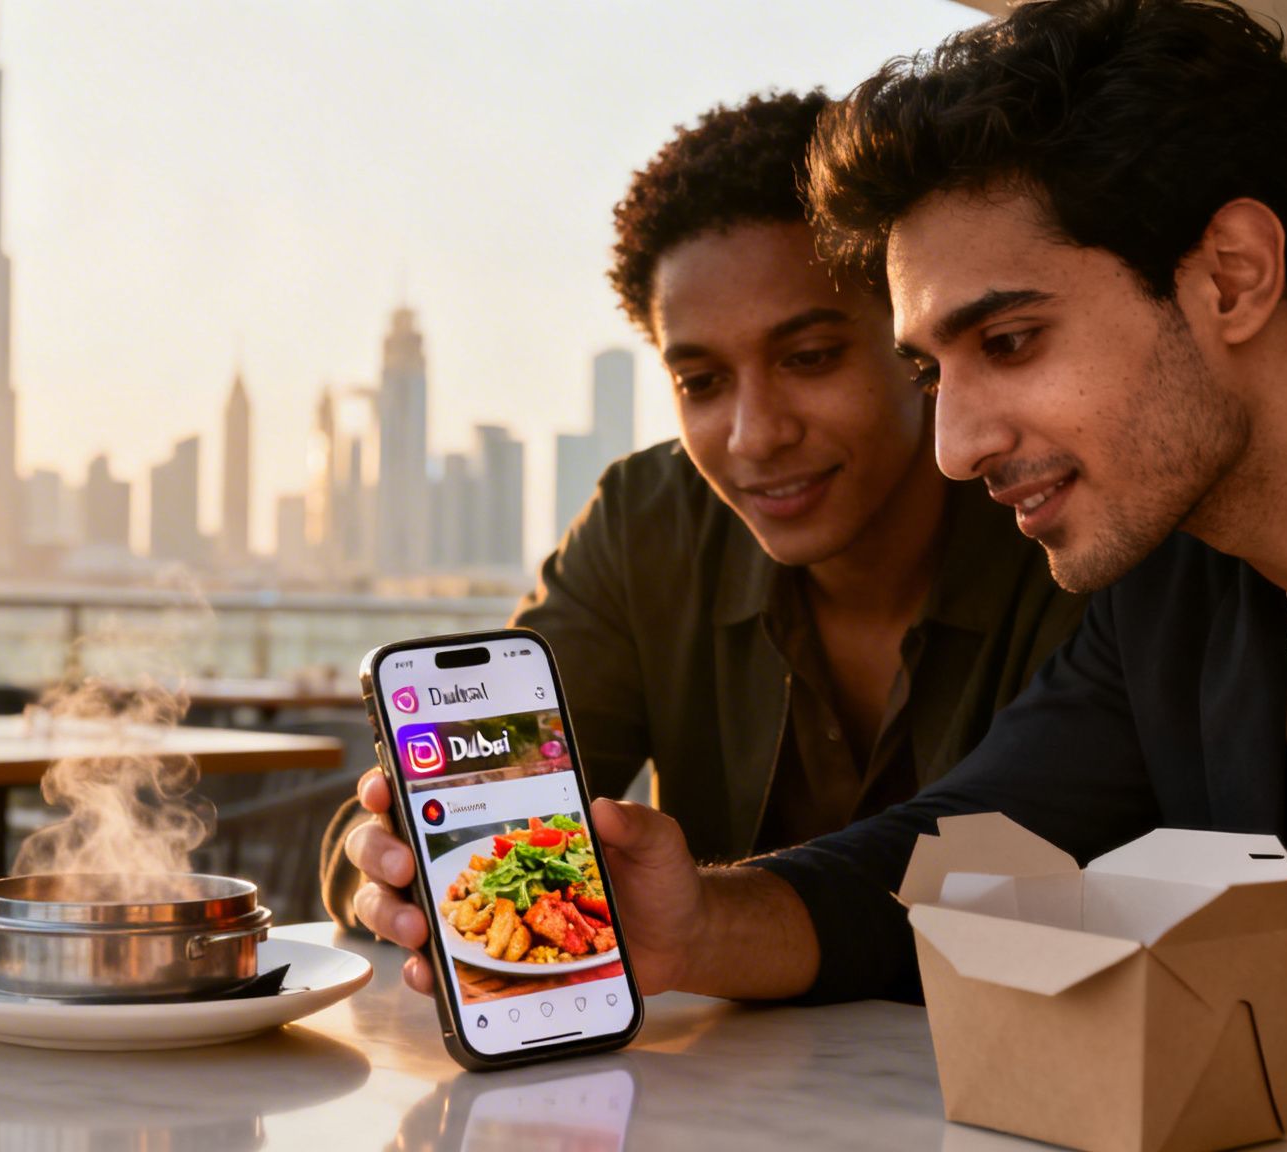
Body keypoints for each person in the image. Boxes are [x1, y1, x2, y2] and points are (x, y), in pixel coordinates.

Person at [356, 0, 1287, 1105]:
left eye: (1013, 339)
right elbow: (957, 855)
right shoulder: (1179, 582)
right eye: (932, 369)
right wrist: (690, 924)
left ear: (1230, 274)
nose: (954, 445)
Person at [325, 93, 1084, 947]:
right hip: (714, 1084)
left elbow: (1049, 866)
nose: (755, 435)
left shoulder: (1061, 516)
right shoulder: (648, 527)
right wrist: (392, 862)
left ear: (913, 340)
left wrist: (711, 923)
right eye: (702, 383)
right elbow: (465, 802)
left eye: (809, 359)